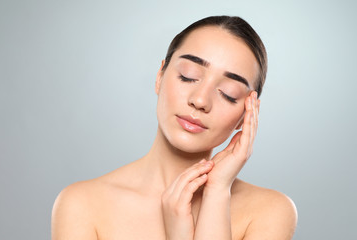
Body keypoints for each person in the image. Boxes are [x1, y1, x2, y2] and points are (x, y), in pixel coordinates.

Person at [51, 16, 297, 240]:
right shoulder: (81, 205)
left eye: (228, 94)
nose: (200, 100)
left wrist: (217, 192)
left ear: (247, 113)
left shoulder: (270, 211)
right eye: (188, 76)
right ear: (160, 75)